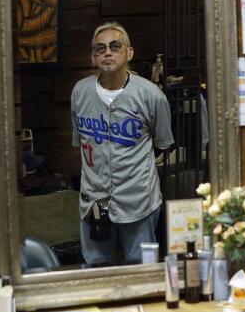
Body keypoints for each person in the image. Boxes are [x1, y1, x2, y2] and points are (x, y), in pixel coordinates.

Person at [71, 22, 174, 267]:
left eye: (115, 46)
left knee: (141, 269)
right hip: (94, 201)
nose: (107, 52)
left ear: (129, 52)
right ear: (93, 57)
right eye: (100, 48)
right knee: (95, 270)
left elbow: (162, 144)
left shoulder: (152, 95)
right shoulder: (79, 92)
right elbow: (82, 142)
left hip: (139, 199)